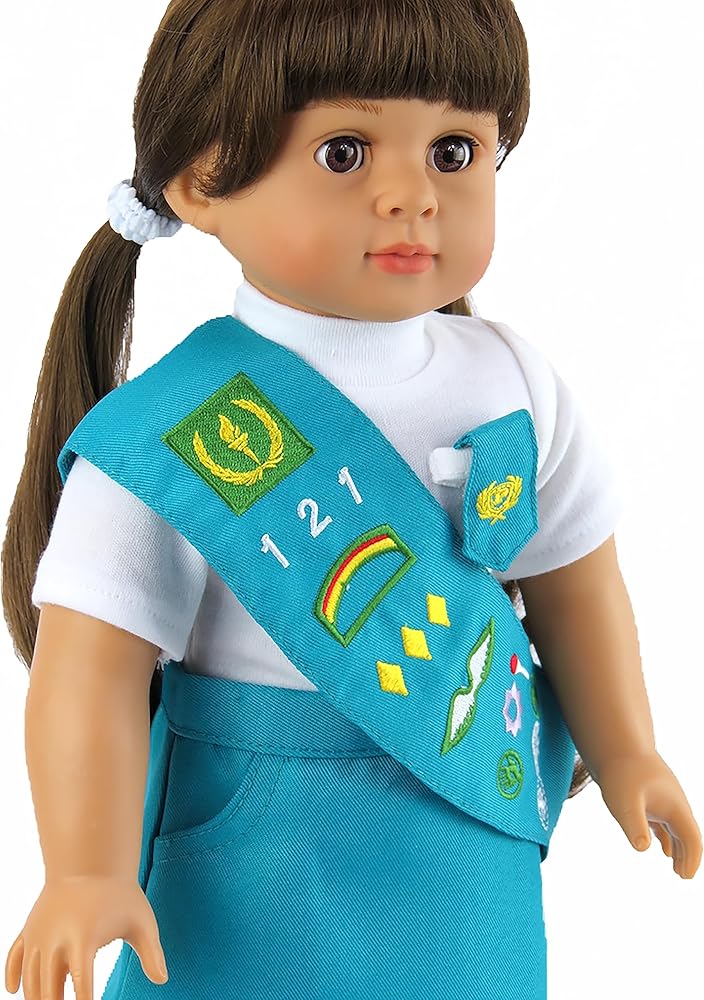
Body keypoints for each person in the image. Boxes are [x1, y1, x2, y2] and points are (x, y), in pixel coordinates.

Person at [2, 2, 701, 999]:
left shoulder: (515, 382)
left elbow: (577, 583)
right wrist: (85, 871)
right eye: (344, 152)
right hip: (251, 832)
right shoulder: (172, 429)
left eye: (454, 151)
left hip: (467, 823)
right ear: (201, 180)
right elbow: (90, 666)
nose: (411, 195)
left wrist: (626, 748)